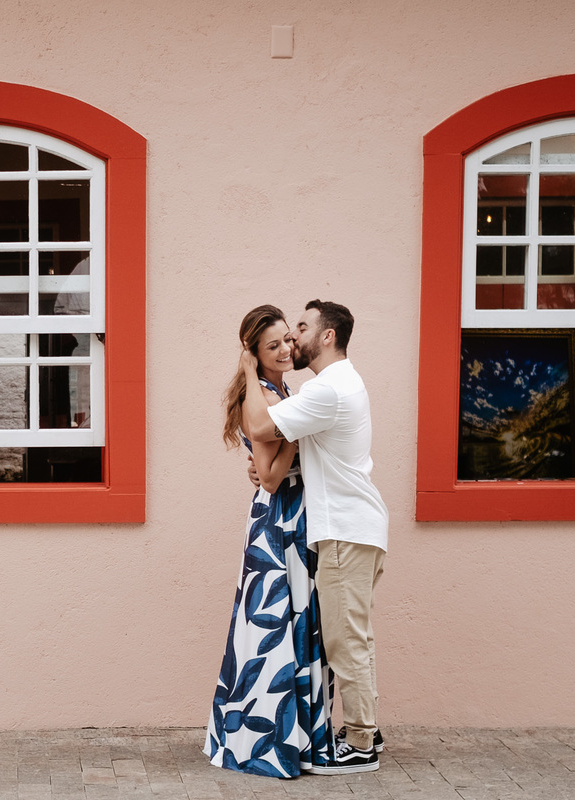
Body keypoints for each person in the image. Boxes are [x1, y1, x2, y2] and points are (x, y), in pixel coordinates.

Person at [239, 299, 389, 775]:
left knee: (347, 641)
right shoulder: (339, 384)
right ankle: (365, 728)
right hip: (354, 527)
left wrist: (246, 367)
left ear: (327, 336)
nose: (294, 338)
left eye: (302, 327)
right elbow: (293, 453)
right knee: (349, 635)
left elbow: (261, 425)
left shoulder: (328, 390)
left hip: (345, 531)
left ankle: (362, 743)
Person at [205, 305, 335, 778]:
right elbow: (271, 477)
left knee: (298, 619)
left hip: (295, 516)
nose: (285, 349)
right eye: (272, 345)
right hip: (278, 519)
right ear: (254, 354)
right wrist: (299, 437)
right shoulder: (260, 394)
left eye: (286, 339)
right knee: (273, 626)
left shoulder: (283, 389)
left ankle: (295, 737)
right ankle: (265, 742)